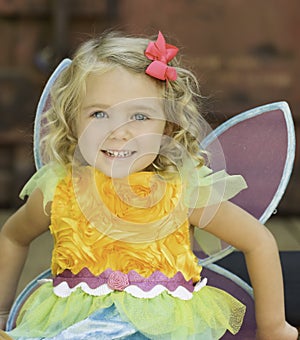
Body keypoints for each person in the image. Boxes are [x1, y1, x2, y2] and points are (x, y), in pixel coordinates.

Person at [0, 30, 298, 340]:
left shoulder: (180, 193)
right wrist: (3, 313)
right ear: (73, 120)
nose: (119, 132)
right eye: (99, 113)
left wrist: (273, 325)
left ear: (167, 126)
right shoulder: (60, 191)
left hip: (160, 332)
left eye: (140, 116)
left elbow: (257, 240)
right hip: (68, 329)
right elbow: (13, 235)